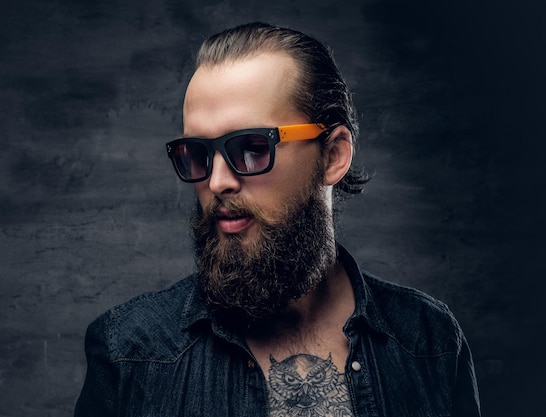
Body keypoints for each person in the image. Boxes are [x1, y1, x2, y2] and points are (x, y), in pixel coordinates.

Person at [74, 22, 480, 416]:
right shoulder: (129, 353)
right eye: (196, 154)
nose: (217, 182)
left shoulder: (430, 340)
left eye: (251, 148)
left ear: (333, 155)